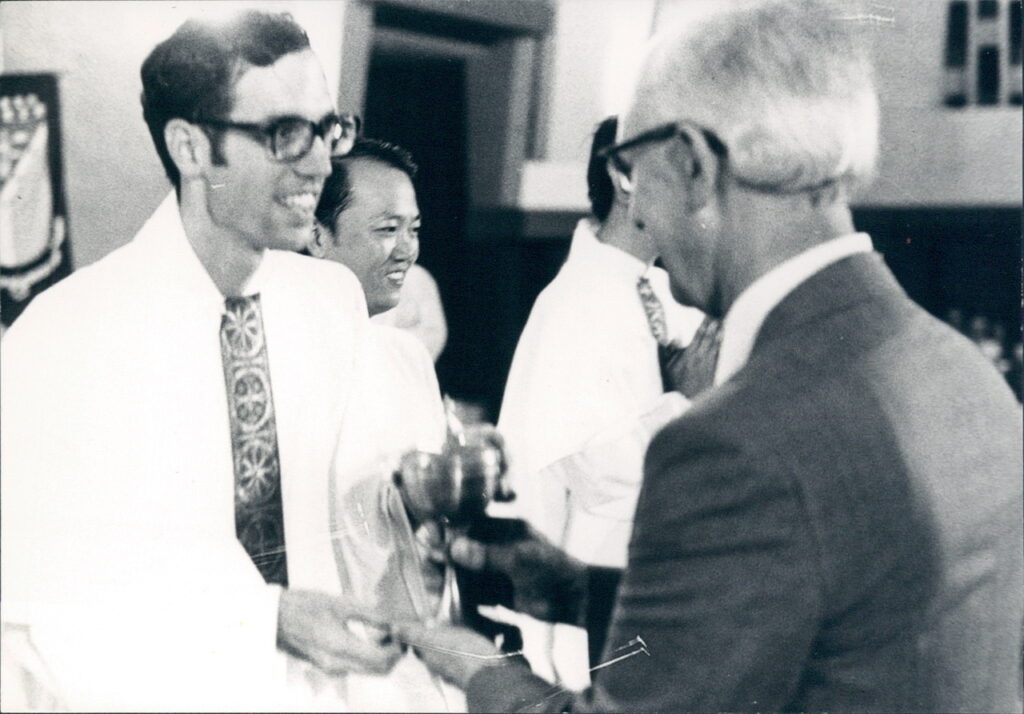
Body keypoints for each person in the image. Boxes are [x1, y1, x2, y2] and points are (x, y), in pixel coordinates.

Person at [394, 1, 1024, 711]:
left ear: (693, 163)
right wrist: (574, 588)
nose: (640, 215)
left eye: (633, 170)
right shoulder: (965, 371)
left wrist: (476, 665)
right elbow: (833, 618)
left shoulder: (736, 441)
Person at [0, 11, 401, 711]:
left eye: (328, 128)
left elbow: (343, 512)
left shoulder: (331, 302)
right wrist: (265, 618)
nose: (320, 163)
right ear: (189, 147)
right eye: (284, 134)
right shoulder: (64, 338)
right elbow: (52, 598)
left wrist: (406, 498)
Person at [496, 115, 706, 686]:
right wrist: (692, 398)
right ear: (624, 174)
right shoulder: (575, 301)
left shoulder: (656, 286)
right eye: (681, 173)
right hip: (594, 577)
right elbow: (596, 468)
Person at [309, 139, 462, 711]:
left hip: (408, 647)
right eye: (386, 229)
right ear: (318, 235)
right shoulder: (285, 359)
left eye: (414, 230)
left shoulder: (407, 357)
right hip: (323, 652)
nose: (406, 251)